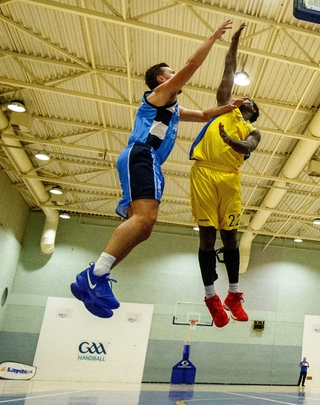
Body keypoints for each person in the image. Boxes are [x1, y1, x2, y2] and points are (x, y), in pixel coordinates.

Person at [70, 20, 236, 318]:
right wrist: (213, 38)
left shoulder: (172, 109)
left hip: (148, 161)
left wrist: (230, 107)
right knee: (146, 217)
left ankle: (96, 277)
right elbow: (191, 64)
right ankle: (94, 276)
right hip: (141, 155)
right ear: (161, 80)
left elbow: (201, 115)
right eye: (171, 74)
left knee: (143, 229)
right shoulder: (158, 97)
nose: (177, 76)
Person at [190, 24, 262, 327]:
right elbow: (228, 71)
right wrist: (233, 42)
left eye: (248, 100)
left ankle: (233, 293)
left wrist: (229, 141)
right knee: (207, 239)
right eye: (240, 96)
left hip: (230, 178)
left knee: (231, 238)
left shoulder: (253, 129)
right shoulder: (224, 109)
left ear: (253, 110)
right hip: (204, 172)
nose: (242, 97)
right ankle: (211, 298)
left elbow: (248, 145)